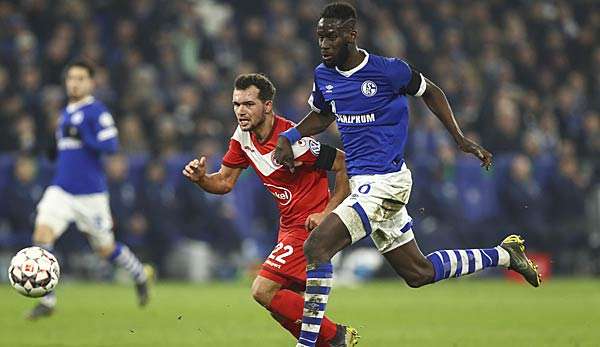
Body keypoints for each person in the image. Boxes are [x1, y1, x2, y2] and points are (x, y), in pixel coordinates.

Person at [272, 3, 541, 347]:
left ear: (351, 36)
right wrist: (290, 135)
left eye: (332, 36)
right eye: (320, 36)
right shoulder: (324, 75)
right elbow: (323, 116)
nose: (324, 43)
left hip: (385, 182)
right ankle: (506, 255)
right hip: (365, 184)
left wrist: (459, 139)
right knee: (419, 273)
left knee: (317, 247)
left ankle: (310, 343)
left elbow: (432, 91)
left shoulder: (388, 71)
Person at [183, 73, 359, 346]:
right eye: (236, 104)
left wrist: (328, 214)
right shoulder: (243, 136)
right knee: (278, 305)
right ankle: (328, 341)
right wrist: (202, 179)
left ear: (267, 106)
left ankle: (335, 336)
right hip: (287, 226)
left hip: (309, 227)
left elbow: (343, 164)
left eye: (249, 104)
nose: (241, 111)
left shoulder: (293, 141)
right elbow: (225, 182)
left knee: (262, 290)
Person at [27, 60, 152, 320]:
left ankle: (139, 274)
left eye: (81, 78)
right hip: (61, 190)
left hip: (90, 195)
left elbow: (110, 146)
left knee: (105, 249)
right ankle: (47, 300)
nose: (74, 82)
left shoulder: (97, 112)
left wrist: (83, 135)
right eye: (71, 78)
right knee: (42, 233)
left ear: (91, 83)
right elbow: (70, 149)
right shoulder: (65, 113)